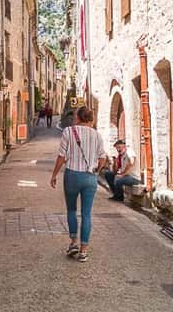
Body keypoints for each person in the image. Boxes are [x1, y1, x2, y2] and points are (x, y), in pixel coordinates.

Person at [50, 106, 106, 263]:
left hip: (72, 175)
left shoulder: (68, 131)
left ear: (78, 118)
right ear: (90, 119)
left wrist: (54, 174)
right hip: (90, 177)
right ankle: (84, 251)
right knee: (87, 214)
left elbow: (61, 156)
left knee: (72, 210)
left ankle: (73, 242)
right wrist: (96, 170)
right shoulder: (97, 135)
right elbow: (102, 158)